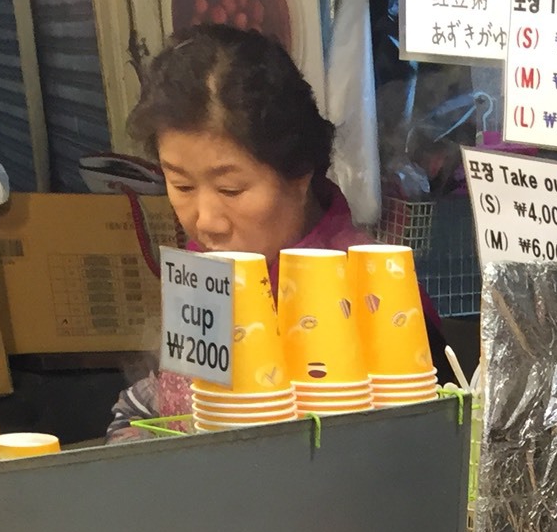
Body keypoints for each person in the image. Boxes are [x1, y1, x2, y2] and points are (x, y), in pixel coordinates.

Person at [108, 26, 442, 434]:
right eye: (181, 185)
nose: (206, 221)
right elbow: (167, 406)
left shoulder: (372, 295)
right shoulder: (205, 270)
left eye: (231, 188)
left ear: (299, 175)